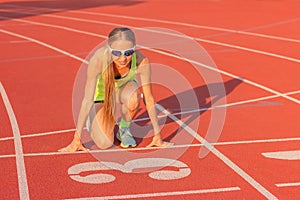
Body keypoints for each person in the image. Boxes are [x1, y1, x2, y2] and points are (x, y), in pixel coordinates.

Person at [59, 27, 171, 152]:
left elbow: (149, 98)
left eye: (128, 52)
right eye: (117, 53)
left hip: (125, 90)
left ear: (134, 49)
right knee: (104, 143)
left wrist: (157, 135)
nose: (123, 59)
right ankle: (95, 119)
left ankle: (124, 129)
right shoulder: (97, 61)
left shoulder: (141, 61)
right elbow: (87, 100)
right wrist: (77, 139)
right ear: (109, 49)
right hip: (102, 96)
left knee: (134, 97)